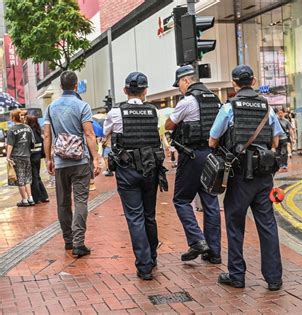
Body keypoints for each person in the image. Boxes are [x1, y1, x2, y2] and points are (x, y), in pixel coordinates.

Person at [209, 64, 284, 291]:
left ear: (234, 83)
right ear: (253, 81)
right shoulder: (266, 107)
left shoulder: (229, 107)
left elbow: (213, 139)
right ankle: (274, 278)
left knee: (235, 225)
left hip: (239, 176)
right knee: (268, 225)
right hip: (263, 176)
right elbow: (276, 140)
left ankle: (237, 276)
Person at [104, 72, 165, 281]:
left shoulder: (116, 112)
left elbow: (106, 133)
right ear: (146, 90)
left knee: (135, 217)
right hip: (151, 168)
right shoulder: (153, 111)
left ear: (124, 90)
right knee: (149, 215)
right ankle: (153, 257)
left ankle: (144, 265)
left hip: (127, 169)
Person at [165, 65, 222, 264]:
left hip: (191, 156)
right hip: (212, 156)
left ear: (186, 81)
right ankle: (214, 252)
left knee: (181, 199)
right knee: (210, 202)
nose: (179, 88)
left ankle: (197, 239)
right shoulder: (215, 99)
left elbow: (169, 125)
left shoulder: (188, 101)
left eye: (179, 84)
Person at [44, 71, 101, 258]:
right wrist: (96, 158)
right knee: (81, 201)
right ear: (76, 86)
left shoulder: (51, 107)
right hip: (80, 161)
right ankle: (79, 243)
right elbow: (89, 134)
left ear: (61, 87)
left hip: (60, 162)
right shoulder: (82, 105)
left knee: (62, 202)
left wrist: (49, 159)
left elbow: (47, 135)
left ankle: (68, 240)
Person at [6, 109, 35, 207]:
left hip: (17, 157)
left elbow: (10, 145)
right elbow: (32, 143)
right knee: (27, 178)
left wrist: (8, 157)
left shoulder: (12, 129)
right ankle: (30, 198)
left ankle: (24, 199)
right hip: (27, 156)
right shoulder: (28, 128)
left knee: (20, 179)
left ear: (13, 118)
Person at [26, 115, 49, 204]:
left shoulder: (30, 133)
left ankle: (37, 198)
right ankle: (44, 196)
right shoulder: (38, 131)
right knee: (37, 177)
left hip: (31, 157)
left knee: (34, 178)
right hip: (38, 157)